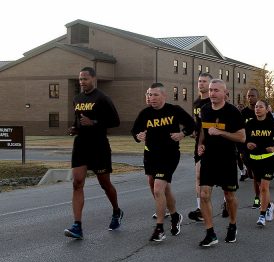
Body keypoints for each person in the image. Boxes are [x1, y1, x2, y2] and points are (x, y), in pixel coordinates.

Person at [131, 83, 195, 241]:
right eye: (150, 95)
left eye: (155, 95)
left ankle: (159, 228)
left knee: (158, 189)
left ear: (164, 96)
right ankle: (174, 216)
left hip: (169, 154)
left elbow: (192, 124)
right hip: (150, 155)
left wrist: (182, 134)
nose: (151, 98)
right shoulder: (145, 113)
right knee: (159, 187)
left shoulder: (174, 110)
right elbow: (135, 130)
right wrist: (139, 136)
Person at [64, 67, 122, 240]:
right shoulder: (77, 98)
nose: (82, 82)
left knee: (105, 184)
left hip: (99, 146)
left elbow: (115, 121)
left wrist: (94, 122)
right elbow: (78, 120)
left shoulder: (103, 98)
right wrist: (75, 128)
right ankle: (77, 226)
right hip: (81, 144)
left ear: (94, 79)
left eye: (85, 79)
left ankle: (116, 211)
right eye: (80, 79)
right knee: (77, 183)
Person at [197, 79, 246, 247]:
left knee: (229, 196)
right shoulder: (204, 110)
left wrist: (221, 132)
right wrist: (200, 145)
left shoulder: (232, 112)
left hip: (227, 158)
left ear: (225, 93)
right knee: (204, 194)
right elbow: (203, 131)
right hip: (209, 158)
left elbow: (241, 137)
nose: (212, 93)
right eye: (210, 90)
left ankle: (232, 225)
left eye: (216, 90)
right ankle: (210, 233)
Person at [245, 99, 274, 226]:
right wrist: (247, 144)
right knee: (261, 187)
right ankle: (269, 205)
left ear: (267, 109)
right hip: (254, 160)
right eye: (256, 107)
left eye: (261, 107)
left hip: (269, 159)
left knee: (264, 187)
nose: (257, 109)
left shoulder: (271, 124)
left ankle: (262, 216)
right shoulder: (250, 124)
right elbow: (242, 139)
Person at [187, 72, 212, 222]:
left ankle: (226, 201)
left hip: (214, 143)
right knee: (198, 175)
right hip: (199, 144)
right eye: (199, 81)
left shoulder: (213, 101)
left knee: (216, 178)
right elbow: (197, 123)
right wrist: (194, 132)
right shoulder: (196, 103)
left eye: (204, 81)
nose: (200, 83)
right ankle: (200, 209)